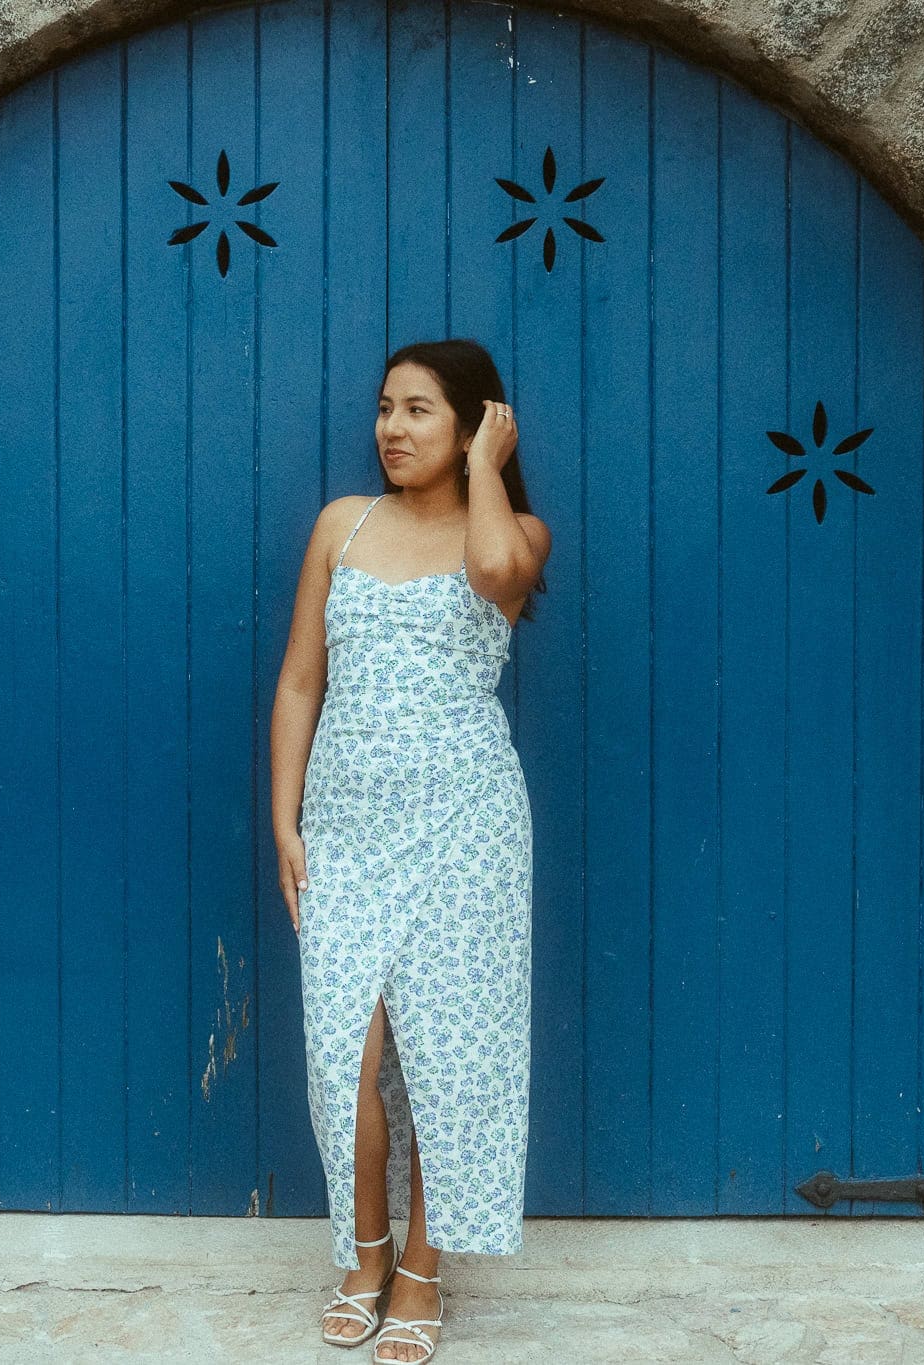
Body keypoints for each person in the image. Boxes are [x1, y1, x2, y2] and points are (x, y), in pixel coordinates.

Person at [270, 338, 552, 1363]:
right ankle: (365, 1251)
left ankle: (425, 1272)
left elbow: (491, 571)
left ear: (475, 422)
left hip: (466, 828)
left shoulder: (516, 531)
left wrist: (484, 467)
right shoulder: (340, 527)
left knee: (453, 1058)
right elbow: (302, 680)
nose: (390, 427)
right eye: (385, 407)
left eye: (421, 410)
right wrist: (283, 822)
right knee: (343, 1051)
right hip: (344, 829)